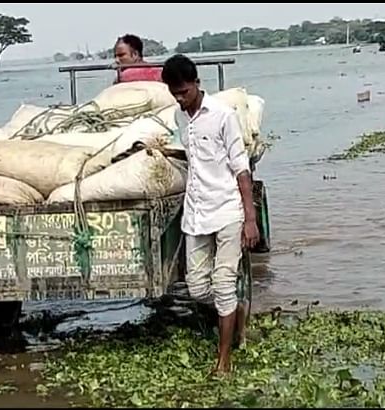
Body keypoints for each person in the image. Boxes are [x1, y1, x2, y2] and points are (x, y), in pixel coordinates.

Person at [161, 54, 260, 376]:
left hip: (228, 209)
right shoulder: (180, 118)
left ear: (196, 84)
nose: (180, 98)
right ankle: (238, 313)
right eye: (174, 93)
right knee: (198, 289)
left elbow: (242, 169)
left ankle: (224, 362)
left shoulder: (222, 115)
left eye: (184, 92)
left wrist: (250, 219)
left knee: (222, 284)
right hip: (197, 213)